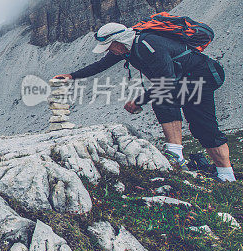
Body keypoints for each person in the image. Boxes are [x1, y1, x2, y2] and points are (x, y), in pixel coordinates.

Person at [53, 22, 235, 181]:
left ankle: (181, 156)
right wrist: (72, 76)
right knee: (197, 124)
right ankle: (222, 174)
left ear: (119, 41)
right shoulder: (126, 48)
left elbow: (167, 81)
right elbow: (101, 65)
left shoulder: (149, 44)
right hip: (186, 80)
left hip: (201, 77)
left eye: (110, 47)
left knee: (193, 118)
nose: (110, 51)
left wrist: (139, 101)